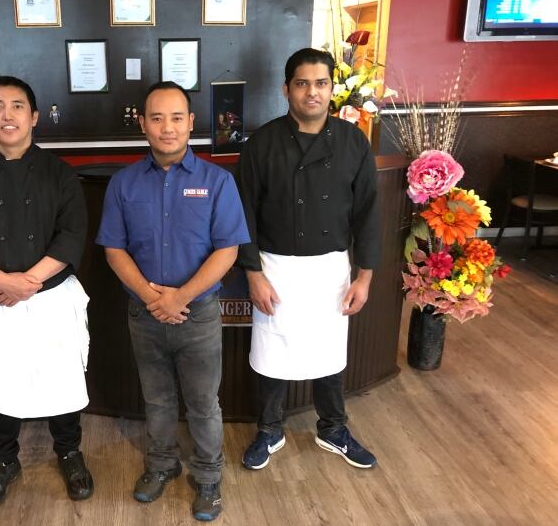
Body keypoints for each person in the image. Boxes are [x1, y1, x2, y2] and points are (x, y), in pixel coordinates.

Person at [96, 81, 249, 522]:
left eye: (177, 117)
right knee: (157, 400)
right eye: (157, 118)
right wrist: (150, 297)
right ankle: (161, 466)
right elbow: (114, 249)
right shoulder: (123, 184)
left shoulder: (217, 182)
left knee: (204, 403)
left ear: (191, 123)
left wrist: (180, 296)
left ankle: (207, 477)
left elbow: (228, 250)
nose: (167, 127)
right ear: (143, 124)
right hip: (144, 314)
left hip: (198, 313)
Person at [0, 75, 94, 511]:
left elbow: (71, 235)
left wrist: (27, 283)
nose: (8, 115)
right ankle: (4, 460)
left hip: (51, 298)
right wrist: (2, 281)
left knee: (61, 378)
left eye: (17, 106)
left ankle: (69, 452)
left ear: (34, 117)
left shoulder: (60, 174)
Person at [236, 48, 380, 472]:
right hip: (274, 265)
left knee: (330, 352)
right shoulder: (262, 143)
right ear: (286, 89)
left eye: (320, 83)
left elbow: (368, 211)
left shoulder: (353, 142)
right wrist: (252, 273)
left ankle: (333, 428)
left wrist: (365, 275)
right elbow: (242, 212)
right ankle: (269, 430)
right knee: (270, 353)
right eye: (302, 83)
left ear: (332, 90)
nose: (311, 92)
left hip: (331, 269)